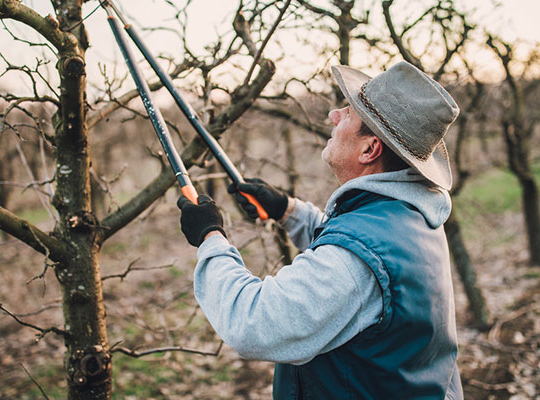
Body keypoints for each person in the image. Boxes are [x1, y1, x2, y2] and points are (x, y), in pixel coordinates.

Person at [177, 61, 463, 400]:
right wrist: (287, 210)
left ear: (369, 149)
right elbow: (359, 258)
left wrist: (209, 236)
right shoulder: (411, 216)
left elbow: (252, 321)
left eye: (348, 113)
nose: (334, 115)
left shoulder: (357, 259)